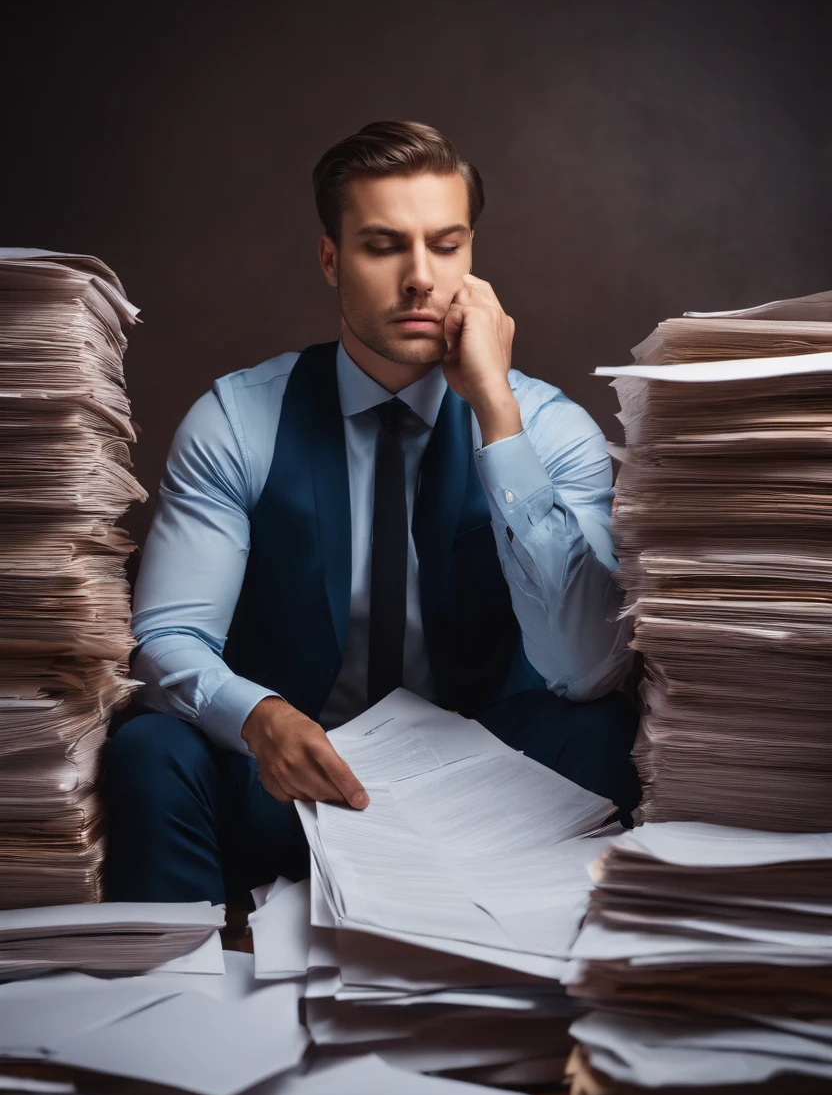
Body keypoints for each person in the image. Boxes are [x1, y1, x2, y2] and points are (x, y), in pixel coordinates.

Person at [105, 119, 640, 903]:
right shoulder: (237, 419)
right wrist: (259, 718)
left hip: (486, 793)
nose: (420, 278)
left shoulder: (546, 428)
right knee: (150, 748)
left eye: (446, 245)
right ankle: (181, 995)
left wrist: (496, 415)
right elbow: (169, 639)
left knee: (602, 733)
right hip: (292, 782)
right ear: (331, 259)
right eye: (384, 246)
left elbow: (589, 668)